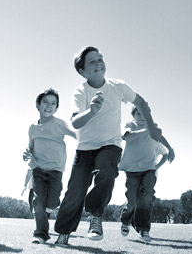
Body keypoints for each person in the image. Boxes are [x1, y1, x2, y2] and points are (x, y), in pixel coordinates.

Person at [53, 46, 165, 245]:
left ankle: (95, 215)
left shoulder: (118, 86)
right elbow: (75, 122)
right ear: (82, 71)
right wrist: (92, 111)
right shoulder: (81, 91)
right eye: (92, 62)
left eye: (100, 59)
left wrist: (151, 127)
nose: (99, 63)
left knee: (107, 172)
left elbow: (141, 103)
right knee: (75, 191)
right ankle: (63, 234)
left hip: (110, 144)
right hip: (85, 147)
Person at [21, 89, 76, 244]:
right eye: (45, 102)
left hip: (56, 170)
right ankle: (40, 234)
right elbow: (30, 148)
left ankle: (51, 207)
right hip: (38, 169)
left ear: (56, 108)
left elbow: (75, 134)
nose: (49, 106)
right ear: (38, 105)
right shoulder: (32, 128)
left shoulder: (59, 124)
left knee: (50, 204)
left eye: (53, 103)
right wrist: (27, 154)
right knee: (38, 202)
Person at [118, 107, 174, 243]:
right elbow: (127, 137)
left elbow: (160, 137)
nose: (142, 116)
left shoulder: (152, 127)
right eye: (138, 113)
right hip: (132, 169)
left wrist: (170, 148)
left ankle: (144, 229)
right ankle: (126, 222)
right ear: (133, 116)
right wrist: (148, 130)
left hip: (149, 169)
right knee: (131, 200)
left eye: (144, 113)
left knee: (146, 198)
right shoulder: (129, 125)